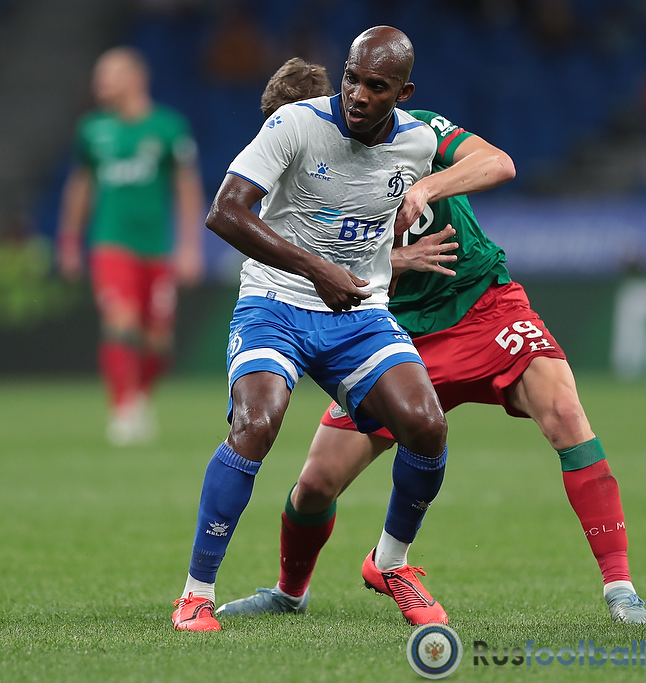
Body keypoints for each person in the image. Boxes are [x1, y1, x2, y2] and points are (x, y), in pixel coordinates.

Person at [216, 58, 646, 625]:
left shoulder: (417, 132)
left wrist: (427, 186)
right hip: (394, 334)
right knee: (317, 483)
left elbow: (498, 163)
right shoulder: (300, 185)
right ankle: (289, 592)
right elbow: (320, 269)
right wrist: (395, 260)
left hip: (482, 307)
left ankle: (621, 588)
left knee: (565, 412)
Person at [172, 27, 451, 632]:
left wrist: (427, 198)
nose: (357, 94)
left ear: (403, 93)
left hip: (359, 314)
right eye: (351, 78)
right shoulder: (296, 123)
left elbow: (494, 162)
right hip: (276, 302)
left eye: (375, 86)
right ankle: (195, 594)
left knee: (427, 425)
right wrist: (316, 268)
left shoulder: (419, 142)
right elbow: (224, 212)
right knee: (257, 422)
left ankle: (391, 562)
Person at [57, 47, 205, 445]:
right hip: (110, 243)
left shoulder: (169, 128)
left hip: (156, 248)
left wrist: (190, 247)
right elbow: (80, 187)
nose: (99, 84)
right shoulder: (92, 130)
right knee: (121, 321)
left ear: (136, 78)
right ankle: (122, 410)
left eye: (108, 75)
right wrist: (69, 240)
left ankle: (138, 398)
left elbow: (187, 190)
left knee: (160, 344)